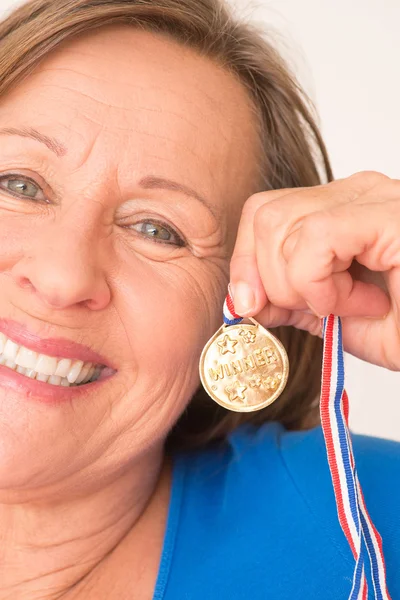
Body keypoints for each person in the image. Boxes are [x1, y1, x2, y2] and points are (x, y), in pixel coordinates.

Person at [0, 0, 398, 598]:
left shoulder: (365, 512)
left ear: (243, 303)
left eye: (157, 230)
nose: (62, 278)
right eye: (20, 185)